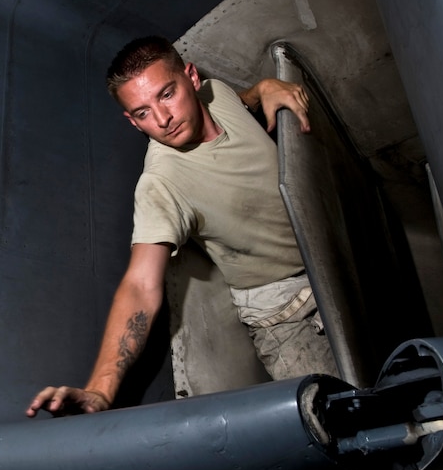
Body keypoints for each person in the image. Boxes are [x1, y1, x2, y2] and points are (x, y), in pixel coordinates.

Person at [26, 35, 337, 418]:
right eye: (142, 113)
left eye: (167, 94)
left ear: (191, 78)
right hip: (283, 312)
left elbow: (241, 102)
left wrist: (264, 88)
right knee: (335, 420)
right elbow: (141, 285)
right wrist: (100, 391)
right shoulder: (161, 183)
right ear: (130, 119)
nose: (162, 120)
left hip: (329, 255)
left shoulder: (216, 93)